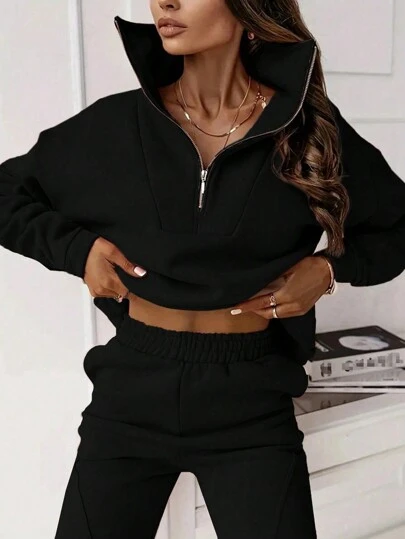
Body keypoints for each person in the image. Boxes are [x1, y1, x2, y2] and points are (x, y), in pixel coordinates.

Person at [1, 1, 405, 538]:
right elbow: (7, 192)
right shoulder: (117, 123)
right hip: (132, 393)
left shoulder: (305, 131)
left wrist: (329, 268)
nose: (165, 2)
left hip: (251, 402)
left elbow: (398, 226)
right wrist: (76, 250)